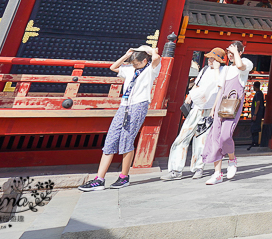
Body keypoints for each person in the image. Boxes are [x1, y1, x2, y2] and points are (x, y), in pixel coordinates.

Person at [78, 45, 161, 191]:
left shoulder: (151, 70)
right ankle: (99, 179)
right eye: (132, 63)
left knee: (127, 139)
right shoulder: (130, 69)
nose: (134, 66)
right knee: (111, 138)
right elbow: (113, 67)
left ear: (144, 60)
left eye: (136, 63)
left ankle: (124, 177)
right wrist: (126, 55)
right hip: (124, 106)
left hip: (138, 105)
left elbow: (156, 58)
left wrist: (153, 51)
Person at [161, 48, 225, 180]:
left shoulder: (223, 72)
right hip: (197, 107)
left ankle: (198, 168)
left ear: (218, 59)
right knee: (182, 137)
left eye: (212, 58)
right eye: (209, 58)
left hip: (209, 110)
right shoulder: (204, 70)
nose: (209, 60)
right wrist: (189, 96)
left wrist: (218, 69)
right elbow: (197, 84)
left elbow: (221, 87)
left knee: (201, 140)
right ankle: (175, 170)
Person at [202, 41, 253, 185]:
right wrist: (213, 108)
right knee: (215, 137)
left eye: (233, 52)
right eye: (229, 52)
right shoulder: (225, 69)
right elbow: (220, 89)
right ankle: (217, 173)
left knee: (225, 135)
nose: (230, 55)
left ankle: (232, 160)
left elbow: (240, 66)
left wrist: (236, 52)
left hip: (232, 104)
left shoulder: (245, 63)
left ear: (240, 52)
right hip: (220, 104)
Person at [248, 80, 265, 149]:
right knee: (255, 128)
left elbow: (257, 103)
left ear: (254, 86)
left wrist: (255, 114)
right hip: (259, 113)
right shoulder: (260, 93)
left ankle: (255, 142)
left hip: (257, 114)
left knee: (254, 128)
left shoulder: (258, 94)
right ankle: (255, 142)